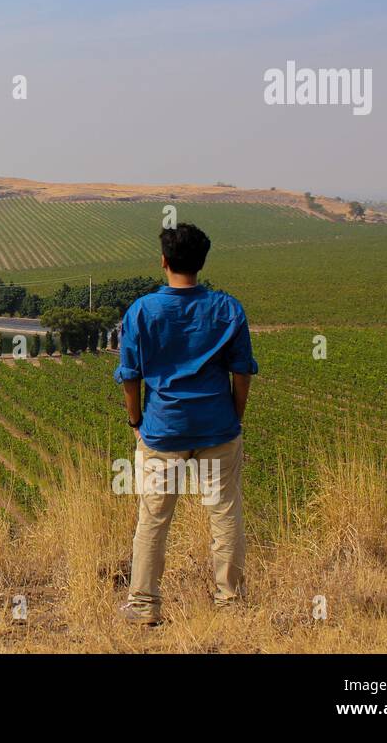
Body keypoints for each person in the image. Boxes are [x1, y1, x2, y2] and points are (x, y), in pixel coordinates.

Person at [113, 222, 258, 625]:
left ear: (163, 261)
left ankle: (144, 604)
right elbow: (242, 373)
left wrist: (136, 420)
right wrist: (233, 417)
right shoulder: (228, 309)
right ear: (202, 261)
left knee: (154, 518)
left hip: (163, 429)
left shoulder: (142, 311)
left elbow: (129, 375)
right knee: (224, 514)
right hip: (218, 427)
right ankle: (230, 602)